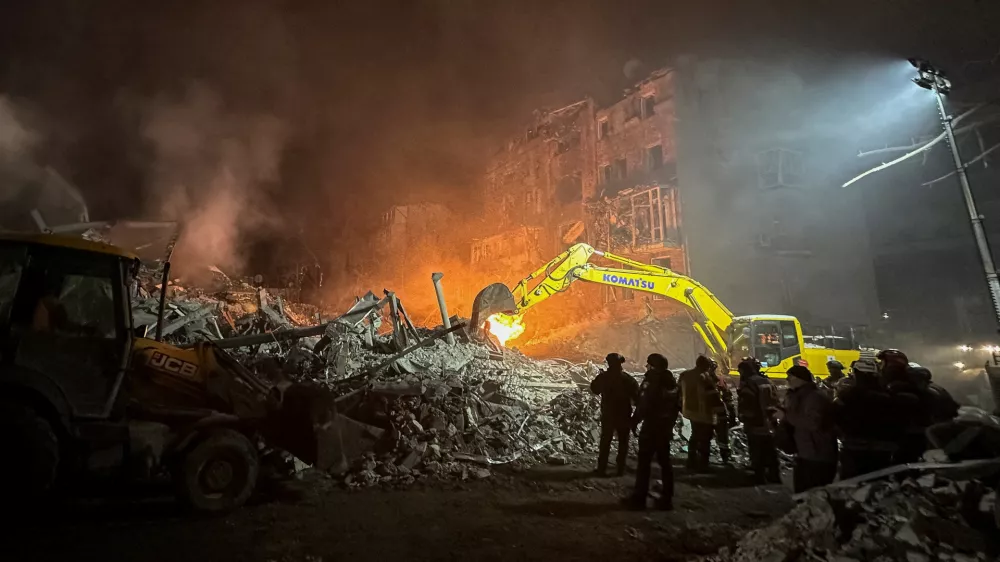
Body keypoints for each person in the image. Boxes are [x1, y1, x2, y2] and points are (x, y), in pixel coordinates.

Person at [624, 353, 681, 510]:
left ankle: (639, 498)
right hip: (665, 428)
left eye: (648, 364)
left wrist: (634, 422)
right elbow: (678, 406)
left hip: (651, 427)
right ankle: (667, 499)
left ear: (653, 366)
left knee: (644, 463)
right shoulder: (672, 383)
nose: (646, 367)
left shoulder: (652, 381)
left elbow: (643, 404)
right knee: (665, 463)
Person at [833, 358, 901, 478]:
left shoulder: (848, 395)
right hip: (882, 449)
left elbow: (834, 416)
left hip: (854, 447)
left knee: (852, 486)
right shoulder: (888, 396)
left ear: (858, 373)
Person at [781, 365, 839, 493]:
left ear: (800, 379)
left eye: (790, 377)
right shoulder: (800, 396)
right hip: (806, 454)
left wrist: (785, 415)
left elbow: (812, 423)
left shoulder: (814, 397)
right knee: (803, 494)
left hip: (817, 456)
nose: (787, 380)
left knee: (813, 495)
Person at [590, 352, 640, 476]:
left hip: (608, 414)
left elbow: (594, 390)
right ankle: (620, 469)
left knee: (605, 441)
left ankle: (602, 468)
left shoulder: (603, 377)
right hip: (624, 414)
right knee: (623, 441)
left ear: (608, 363)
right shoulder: (628, 379)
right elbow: (637, 398)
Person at [737, 357, 782, 484]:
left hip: (756, 423)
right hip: (770, 422)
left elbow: (747, 404)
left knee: (757, 450)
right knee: (770, 450)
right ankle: (774, 475)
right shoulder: (767, 381)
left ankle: (759, 476)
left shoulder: (750, 384)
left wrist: (744, 417)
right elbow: (776, 400)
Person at [680, 355, 721, 472]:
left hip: (689, 411)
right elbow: (712, 396)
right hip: (704, 413)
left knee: (694, 436)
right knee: (705, 439)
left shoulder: (685, 375)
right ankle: (703, 464)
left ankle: (691, 461)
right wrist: (721, 412)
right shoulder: (705, 377)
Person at [709, 360, 738, 465]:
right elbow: (727, 397)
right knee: (721, 436)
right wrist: (732, 413)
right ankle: (724, 456)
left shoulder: (704, 380)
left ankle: (723, 456)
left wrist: (732, 413)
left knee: (720, 436)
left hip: (710, 414)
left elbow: (727, 397)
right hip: (718, 413)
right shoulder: (718, 380)